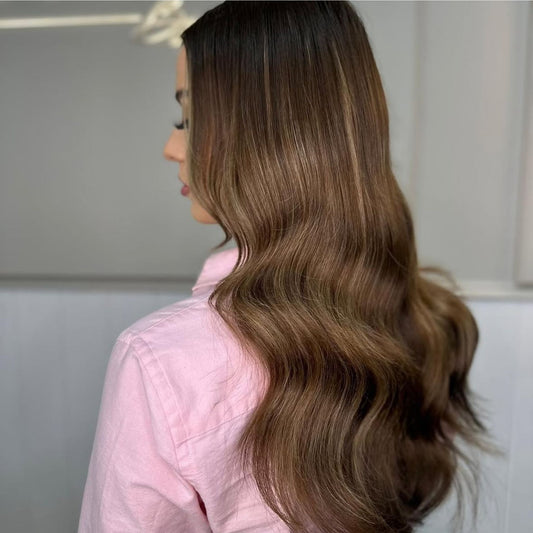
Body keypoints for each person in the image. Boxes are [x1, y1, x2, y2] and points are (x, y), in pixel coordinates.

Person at [78, 2, 501, 532]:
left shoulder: (160, 360)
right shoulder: (422, 319)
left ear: (269, 137)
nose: (171, 147)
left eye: (189, 120)